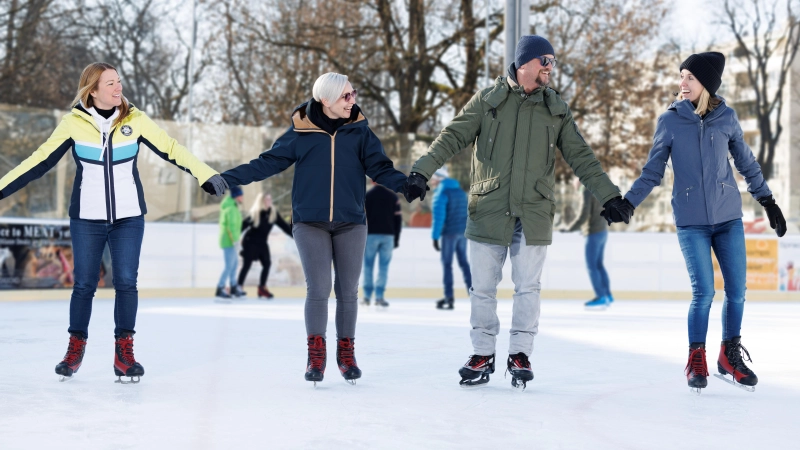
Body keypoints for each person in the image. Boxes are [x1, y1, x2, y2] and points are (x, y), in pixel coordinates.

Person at [403, 35, 629, 390]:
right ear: (524, 63)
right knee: (482, 289)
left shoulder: (555, 109)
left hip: (534, 211)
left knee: (528, 288)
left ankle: (520, 353)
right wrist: (420, 171)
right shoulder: (488, 101)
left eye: (552, 62)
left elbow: (581, 156)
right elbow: (451, 137)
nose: (550, 69)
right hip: (489, 208)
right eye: (545, 61)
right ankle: (482, 353)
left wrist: (610, 196)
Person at [0, 62, 228, 383]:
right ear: (92, 91)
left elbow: (171, 148)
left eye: (118, 81)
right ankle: (75, 347)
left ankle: (124, 353)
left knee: (125, 281)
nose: (118, 88)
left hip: (128, 218)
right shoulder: (73, 123)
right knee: (84, 285)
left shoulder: (134, 119)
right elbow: (38, 161)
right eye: (110, 84)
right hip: (87, 219)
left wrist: (205, 173)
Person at [611, 52, 787, 393]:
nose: (682, 83)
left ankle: (728, 356)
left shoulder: (727, 118)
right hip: (691, 221)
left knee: (737, 292)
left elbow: (747, 163)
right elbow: (653, 171)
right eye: (681, 77)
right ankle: (696, 358)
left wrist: (767, 200)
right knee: (703, 292)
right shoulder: (671, 120)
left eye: (689, 77)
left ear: (706, 83)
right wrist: (628, 202)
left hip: (728, 218)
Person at [220, 72, 408, 385]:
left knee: (348, 290)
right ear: (326, 100)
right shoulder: (300, 131)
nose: (353, 100)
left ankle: (346, 353)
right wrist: (228, 178)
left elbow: (379, 167)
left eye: (354, 93)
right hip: (310, 221)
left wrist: (405, 183)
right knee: (319, 288)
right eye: (346, 96)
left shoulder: (360, 130)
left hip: (351, 221)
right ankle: (315, 353)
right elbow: (266, 163)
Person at [562, 176, 613, 309]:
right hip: (602, 232)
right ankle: (607, 295)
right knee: (599, 265)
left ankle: (601, 297)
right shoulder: (600, 191)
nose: (576, 189)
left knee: (592, 266)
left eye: (576, 186)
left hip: (593, 233)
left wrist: (570, 229)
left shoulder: (587, 192)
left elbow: (583, 215)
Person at [429, 166, 471, 310]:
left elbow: (438, 218)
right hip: (462, 233)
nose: (431, 181)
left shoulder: (441, 193)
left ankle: (449, 297)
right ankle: (474, 294)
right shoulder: (460, 192)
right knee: (464, 262)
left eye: (433, 178)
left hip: (449, 234)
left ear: (439, 178)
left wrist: (435, 237)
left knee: (447, 264)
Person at [237, 193, 293, 299]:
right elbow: (243, 225)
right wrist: (235, 238)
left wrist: (295, 236)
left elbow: (284, 226)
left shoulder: (273, 214)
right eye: (267, 199)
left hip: (262, 243)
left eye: (270, 199)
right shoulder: (256, 213)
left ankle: (262, 288)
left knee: (267, 264)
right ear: (261, 201)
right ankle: (239, 287)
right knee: (247, 265)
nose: (269, 201)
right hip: (250, 242)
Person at [362, 180, 402, 308]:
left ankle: (367, 296)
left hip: (370, 235)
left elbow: (362, 217)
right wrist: (396, 238)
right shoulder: (393, 197)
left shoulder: (367, 196)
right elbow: (398, 220)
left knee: (368, 266)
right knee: (383, 267)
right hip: (388, 236)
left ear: (373, 182)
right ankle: (379, 296)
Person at [216, 186, 244, 301]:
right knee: (229, 266)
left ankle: (233, 286)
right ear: (236, 196)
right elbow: (231, 226)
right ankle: (220, 287)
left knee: (234, 264)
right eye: (241, 195)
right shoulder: (231, 208)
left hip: (230, 240)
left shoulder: (232, 206)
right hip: (229, 240)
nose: (242, 197)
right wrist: (236, 241)